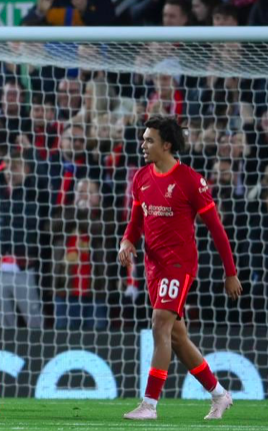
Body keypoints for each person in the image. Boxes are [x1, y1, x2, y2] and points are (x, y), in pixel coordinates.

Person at [119, 115, 241, 421]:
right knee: (176, 336)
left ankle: (149, 405)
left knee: (159, 324)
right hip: (153, 266)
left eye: (149, 140)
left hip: (179, 263)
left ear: (166, 145)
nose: (143, 145)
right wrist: (127, 241)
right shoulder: (141, 178)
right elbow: (136, 221)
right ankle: (219, 394)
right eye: (143, 139)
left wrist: (230, 273)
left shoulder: (190, 180)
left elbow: (217, 230)